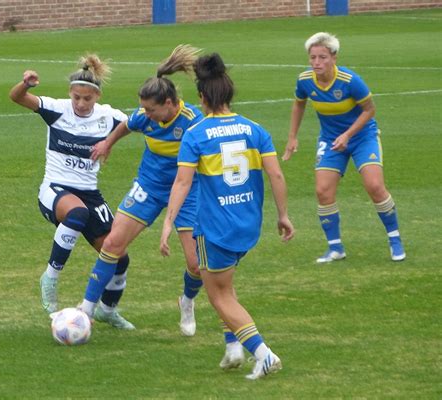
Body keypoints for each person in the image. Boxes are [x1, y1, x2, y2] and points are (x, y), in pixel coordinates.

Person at [160, 53, 295, 380]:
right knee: (226, 287)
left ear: (202, 97)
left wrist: (168, 222)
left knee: (219, 295)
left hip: (215, 228)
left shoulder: (196, 133)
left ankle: (262, 353)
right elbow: (276, 175)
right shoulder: (255, 129)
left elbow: (182, 182)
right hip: (248, 224)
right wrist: (283, 215)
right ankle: (233, 346)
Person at [78, 45, 204, 336]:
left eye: (151, 109)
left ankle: (187, 301)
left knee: (196, 265)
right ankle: (86, 309)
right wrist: (108, 143)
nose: (145, 114)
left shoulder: (193, 122)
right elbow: (125, 125)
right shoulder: (145, 117)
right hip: (149, 186)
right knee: (112, 244)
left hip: (187, 192)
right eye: (143, 108)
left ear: (171, 103)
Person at [9, 54, 135, 329]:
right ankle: (51, 277)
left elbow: (134, 123)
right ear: (70, 93)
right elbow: (16, 97)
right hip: (55, 189)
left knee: (119, 256)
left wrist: (109, 142)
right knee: (76, 213)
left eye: (86, 99)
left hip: (90, 192)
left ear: (97, 96)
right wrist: (25, 84)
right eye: (76, 97)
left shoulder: (108, 116)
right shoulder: (57, 109)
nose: (80, 103)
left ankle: (107, 310)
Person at [283, 32, 406, 263]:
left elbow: (370, 110)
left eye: (322, 57)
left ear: (334, 57)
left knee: (375, 185)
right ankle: (335, 248)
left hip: (362, 136)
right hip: (330, 139)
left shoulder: (350, 81)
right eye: (313, 57)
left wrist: (348, 134)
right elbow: (299, 104)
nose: (317, 62)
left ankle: (395, 239)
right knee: (323, 191)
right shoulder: (305, 80)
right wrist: (292, 137)